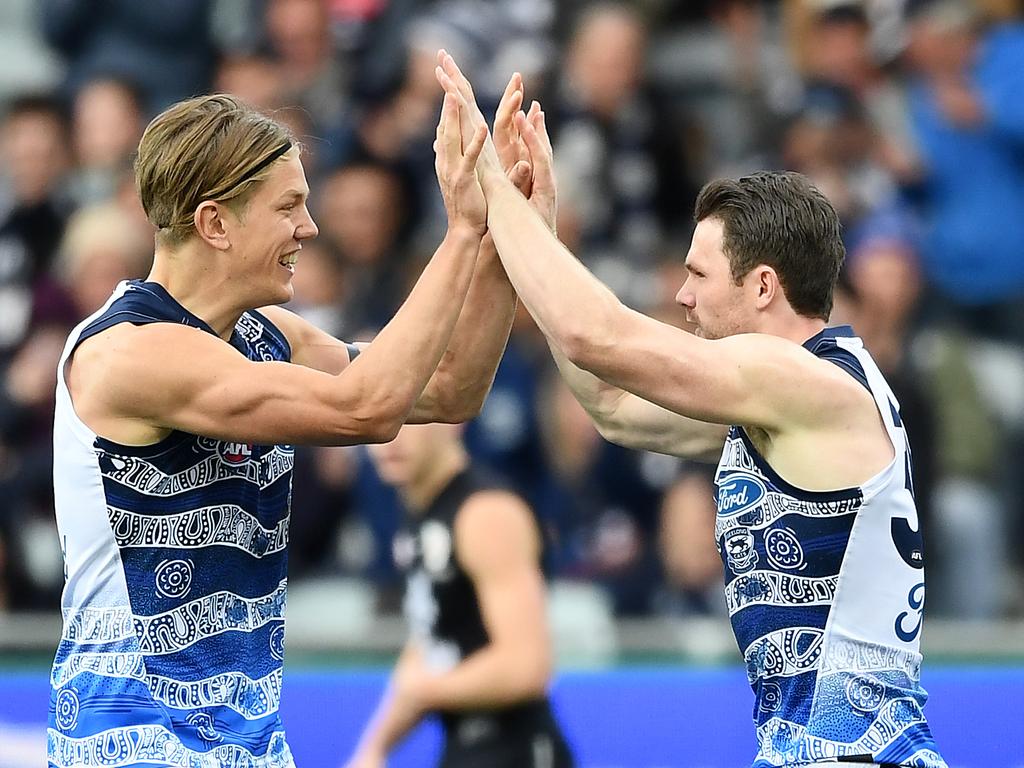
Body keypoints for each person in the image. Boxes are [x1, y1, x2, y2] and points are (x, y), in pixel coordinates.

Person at [435, 53, 946, 767]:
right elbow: (611, 405)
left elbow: (598, 335)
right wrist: (541, 231)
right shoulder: (784, 401)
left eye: (698, 275)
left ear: (763, 286)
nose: (681, 296)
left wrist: (493, 186)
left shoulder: (800, 380)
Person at [47, 75, 523, 768]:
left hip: (248, 747)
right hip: (131, 750)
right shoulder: (127, 353)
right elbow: (370, 407)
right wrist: (464, 229)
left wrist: (507, 234)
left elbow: (450, 388)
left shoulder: (265, 333)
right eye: (289, 206)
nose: (310, 227)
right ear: (215, 223)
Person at [346, 421, 574, 768]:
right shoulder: (419, 509)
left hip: (516, 751)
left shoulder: (485, 513)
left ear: (455, 420)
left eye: (414, 417)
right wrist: (374, 749)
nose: (392, 436)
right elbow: (433, 637)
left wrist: (422, 691)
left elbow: (526, 666)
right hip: (464, 747)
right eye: (386, 416)